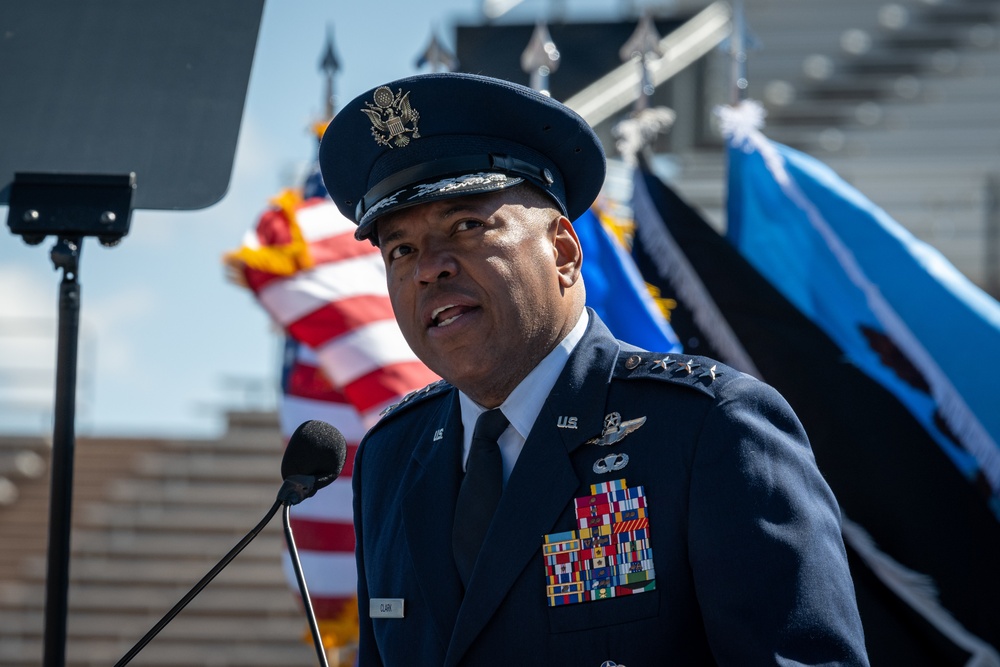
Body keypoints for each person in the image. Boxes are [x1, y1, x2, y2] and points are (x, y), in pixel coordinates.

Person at [319, 72, 869, 666]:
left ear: (562, 250)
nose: (428, 268)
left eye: (467, 226)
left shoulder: (709, 428)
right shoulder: (392, 458)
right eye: (400, 250)